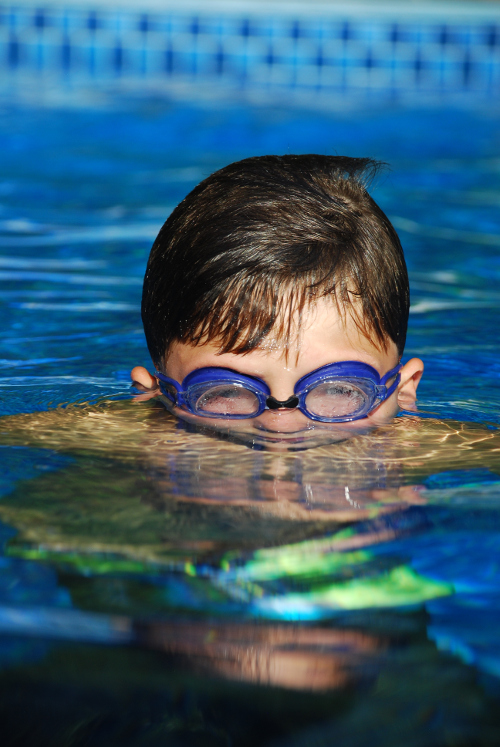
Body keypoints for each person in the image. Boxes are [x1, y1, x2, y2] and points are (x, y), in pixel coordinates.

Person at [131, 154, 424, 448]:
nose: (281, 428)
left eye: (338, 390)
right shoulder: (117, 448)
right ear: (150, 394)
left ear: (404, 391)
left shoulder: (457, 455)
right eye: (227, 392)